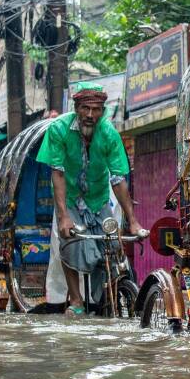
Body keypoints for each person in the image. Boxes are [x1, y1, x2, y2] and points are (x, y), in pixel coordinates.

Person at [36, 84, 144, 314]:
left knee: (111, 244)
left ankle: (106, 295)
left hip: (98, 197)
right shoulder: (59, 130)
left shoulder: (109, 134)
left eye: (96, 110)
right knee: (71, 240)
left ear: (102, 111)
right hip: (70, 197)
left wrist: (132, 220)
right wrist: (63, 216)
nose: (90, 115)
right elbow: (58, 172)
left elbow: (118, 178)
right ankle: (75, 301)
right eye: (85, 108)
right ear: (76, 108)